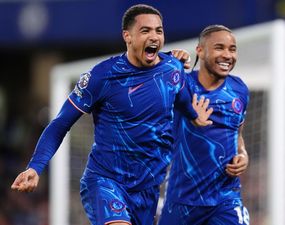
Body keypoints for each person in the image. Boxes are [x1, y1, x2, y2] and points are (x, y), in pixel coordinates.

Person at [11, 4, 213, 225]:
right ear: (127, 36)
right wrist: (35, 166)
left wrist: (195, 115)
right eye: (145, 31)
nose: (154, 36)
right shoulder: (102, 76)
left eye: (159, 30)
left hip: (147, 189)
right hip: (106, 181)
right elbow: (60, 123)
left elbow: (181, 97)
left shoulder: (173, 68)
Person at [158, 25, 250, 225]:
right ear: (199, 50)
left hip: (226, 197)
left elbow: (238, 132)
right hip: (183, 199)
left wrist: (242, 154)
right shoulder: (182, 85)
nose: (227, 55)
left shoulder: (239, 89)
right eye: (219, 47)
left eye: (232, 49)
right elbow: (148, 72)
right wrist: (171, 59)